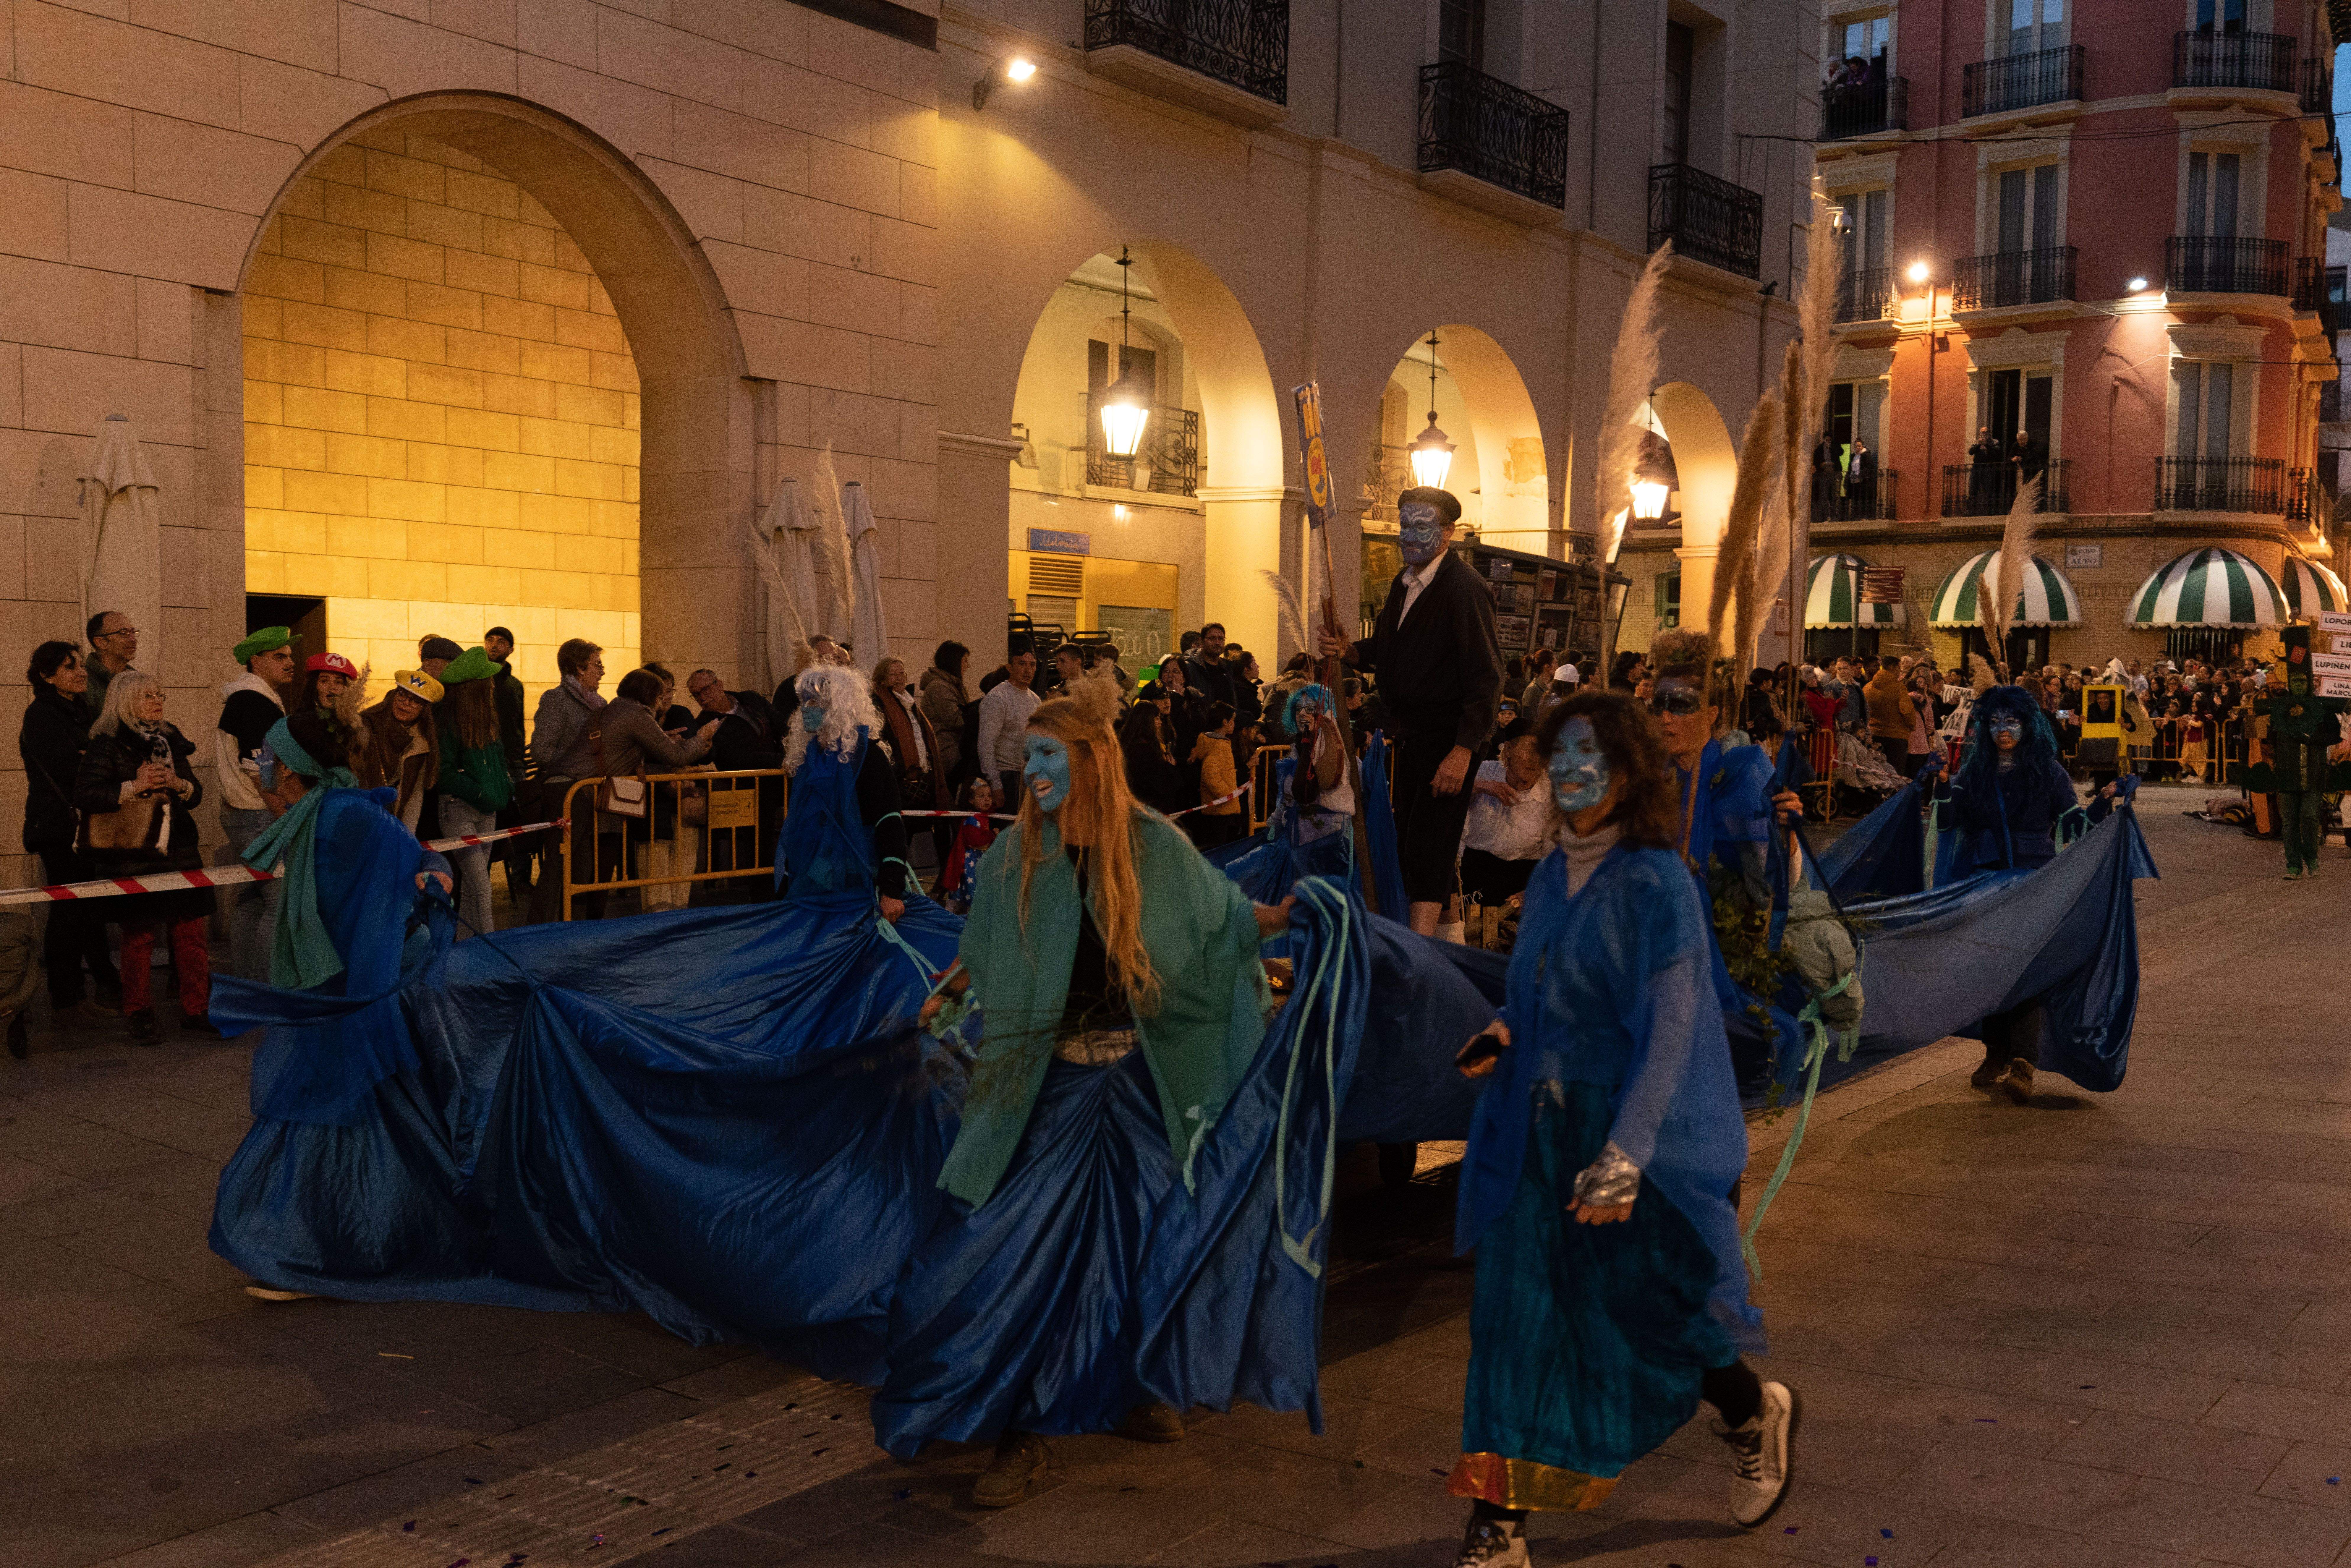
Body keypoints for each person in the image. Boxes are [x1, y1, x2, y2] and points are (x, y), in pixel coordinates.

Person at [883, 664, 1292, 1505]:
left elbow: (1219, 920)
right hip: (1048, 1088)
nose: (1031, 774)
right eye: (1028, 757)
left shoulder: (1150, 844)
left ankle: (1132, 1387)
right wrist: (953, 988)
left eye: (1047, 758)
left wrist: (1292, 918)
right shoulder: (1013, 855)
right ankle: (1022, 1429)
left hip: (1140, 1085)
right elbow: (985, 943)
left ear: (1093, 761)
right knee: (1021, 1259)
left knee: (1150, 1241)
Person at [1445, 692, 1793, 1567]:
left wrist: (1624, 1154)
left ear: (1630, 773)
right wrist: (1504, 1028)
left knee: (1655, 1313)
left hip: (1626, 1138)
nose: (1566, 770)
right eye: (1556, 752)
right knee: (1509, 1318)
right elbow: (1537, 990)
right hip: (1533, 1132)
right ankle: (1497, 1525)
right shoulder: (1548, 873)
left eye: (1588, 755)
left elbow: (1672, 1028)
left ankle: (1751, 1409)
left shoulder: (1655, 882)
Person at [209, 709, 454, 1303]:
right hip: (332, 985)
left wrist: (436, 876)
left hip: (349, 988)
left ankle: (313, 1250)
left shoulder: (343, 815)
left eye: (267, 754)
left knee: (330, 1114)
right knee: (349, 1115)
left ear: (291, 767)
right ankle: (352, 1239)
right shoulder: (317, 813)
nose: (259, 763)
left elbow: (415, 856)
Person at [1916, 685, 2124, 1101]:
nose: (2002, 730)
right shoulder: (1974, 774)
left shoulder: (2048, 772)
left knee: (2026, 973)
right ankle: (1997, 1053)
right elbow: (1948, 824)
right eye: (1994, 722)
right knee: (1989, 973)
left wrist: (2105, 802)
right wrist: (1940, 784)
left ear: (2028, 725)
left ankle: (2024, 1061)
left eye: (2011, 721)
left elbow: (2074, 826)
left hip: (2033, 883)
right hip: (1985, 884)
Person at [1319, 485, 1504, 938]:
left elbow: (1487, 678)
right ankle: (1447, 945)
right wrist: (1350, 651)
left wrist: (1463, 751)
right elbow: (1390, 649)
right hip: (1410, 736)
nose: (1408, 535)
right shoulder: (1404, 588)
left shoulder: (1465, 590)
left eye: (1421, 525)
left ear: (1448, 533)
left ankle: (1415, 952)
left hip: (1447, 738)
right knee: (1413, 841)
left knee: (1432, 846)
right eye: (1404, 525)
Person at [73, 673, 214, 1044]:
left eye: (159, 694)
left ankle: (197, 1010)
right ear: (124, 701)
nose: (158, 701)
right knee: (138, 939)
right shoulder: (107, 745)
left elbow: (195, 793)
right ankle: (139, 1011)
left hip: (180, 850)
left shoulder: (170, 739)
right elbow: (86, 795)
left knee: (191, 935)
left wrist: (178, 784)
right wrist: (134, 786)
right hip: (135, 853)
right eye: (148, 696)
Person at [19, 642, 120, 1026]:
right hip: (57, 826)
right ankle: (65, 1000)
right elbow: (70, 766)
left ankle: (81, 993)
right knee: (66, 913)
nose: (80, 672)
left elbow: (95, 758)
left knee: (81, 911)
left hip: (79, 823)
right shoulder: (42, 714)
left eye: (79, 664)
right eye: (68, 667)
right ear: (46, 676)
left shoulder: (79, 709)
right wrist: (93, 758)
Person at [778, 663, 912, 922]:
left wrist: (892, 888)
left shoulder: (868, 756)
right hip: (817, 879)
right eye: (804, 701)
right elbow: (800, 824)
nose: (806, 708)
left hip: (861, 876)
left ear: (836, 705)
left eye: (815, 701)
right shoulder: (809, 758)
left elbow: (889, 820)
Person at [597, 667, 722, 907]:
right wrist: (668, 746)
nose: (666, 697)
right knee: (654, 860)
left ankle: (680, 910)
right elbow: (659, 756)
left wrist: (691, 744)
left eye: (670, 690)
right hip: (652, 801)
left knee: (684, 855)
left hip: (683, 799)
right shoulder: (639, 716)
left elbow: (702, 751)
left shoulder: (681, 713)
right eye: (661, 691)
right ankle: (657, 913)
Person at [214, 626, 297, 982]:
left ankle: (248, 983)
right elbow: (257, 770)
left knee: (252, 901)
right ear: (257, 662)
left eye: (290, 656)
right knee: (279, 902)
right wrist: (286, 817)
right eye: (280, 657)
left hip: (246, 813)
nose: (291, 663)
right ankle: (266, 986)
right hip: (256, 814)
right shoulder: (253, 702)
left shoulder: (252, 699)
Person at [433, 648, 514, 936]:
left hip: (486, 809)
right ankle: (492, 952)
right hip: (458, 809)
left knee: (472, 888)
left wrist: (503, 787)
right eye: (488, 680)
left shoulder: (488, 718)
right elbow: (443, 774)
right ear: (477, 687)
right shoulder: (449, 723)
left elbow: (500, 758)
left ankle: (467, 952)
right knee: (481, 888)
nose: (493, 684)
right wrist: (481, 793)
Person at [529, 639, 608, 923]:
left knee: (581, 867)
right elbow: (541, 750)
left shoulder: (600, 705)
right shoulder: (556, 699)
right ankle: (539, 929)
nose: (603, 672)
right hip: (565, 790)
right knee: (559, 866)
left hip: (587, 792)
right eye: (598, 665)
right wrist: (578, 764)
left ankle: (566, 928)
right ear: (579, 667)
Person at [1457, 735, 1550, 908]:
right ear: (1508, 751)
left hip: (1520, 884)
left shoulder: (1553, 795)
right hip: (1472, 874)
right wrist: (1482, 786)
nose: (1537, 759)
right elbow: (1447, 795)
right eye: (1531, 751)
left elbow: (1558, 858)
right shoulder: (1484, 771)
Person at [353, 670, 443, 835]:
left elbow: (415, 793)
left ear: (424, 710)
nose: (406, 703)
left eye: (416, 701)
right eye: (402, 695)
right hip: (361, 813)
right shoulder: (367, 725)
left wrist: (406, 833)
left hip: (393, 819)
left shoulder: (423, 742)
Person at [483, 627, 533, 900]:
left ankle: (522, 878)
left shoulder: (513, 685)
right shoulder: (478, 680)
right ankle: (484, 880)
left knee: (520, 821)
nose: (495, 645)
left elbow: (517, 727)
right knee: (489, 821)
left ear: (511, 649)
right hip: (487, 761)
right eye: (490, 640)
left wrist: (518, 760)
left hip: (512, 763)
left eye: (502, 642)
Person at [875, 656, 949, 828]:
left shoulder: (911, 703)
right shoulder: (880, 704)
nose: (899, 678)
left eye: (902, 673)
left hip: (923, 779)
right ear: (882, 679)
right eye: (893, 674)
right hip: (901, 781)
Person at [977, 643, 1042, 809]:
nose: (1028, 670)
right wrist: (996, 784)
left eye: (1032, 665)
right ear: (1010, 668)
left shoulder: (1035, 700)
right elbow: (986, 745)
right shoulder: (998, 699)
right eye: (1022, 664)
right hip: (1006, 776)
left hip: (1028, 776)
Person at [933, 774, 1000, 913]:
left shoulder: (982, 817)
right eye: (982, 797)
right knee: (971, 886)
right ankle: (971, 912)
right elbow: (976, 840)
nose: (987, 799)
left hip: (980, 858)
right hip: (971, 860)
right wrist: (992, 835)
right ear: (971, 800)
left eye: (989, 796)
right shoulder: (971, 820)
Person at [1186, 699, 1244, 850]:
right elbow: (1209, 773)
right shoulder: (1220, 746)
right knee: (1220, 849)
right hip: (1222, 808)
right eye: (1233, 720)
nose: (1234, 724)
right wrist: (1226, 795)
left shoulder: (1208, 742)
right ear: (1225, 722)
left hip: (1215, 807)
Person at [919, 640, 972, 788]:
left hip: (953, 749)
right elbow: (956, 720)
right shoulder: (939, 687)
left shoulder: (950, 685)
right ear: (954, 662)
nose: (968, 666)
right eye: (965, 661)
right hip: (949, 752)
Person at [1863, 655, 1918, 779]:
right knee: (1896, 775)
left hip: (1874, 734)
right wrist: (1912, 726)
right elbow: (1907, 712)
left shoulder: (1868, 687)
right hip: (1897, 737)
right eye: (1899, 668)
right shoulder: (1899, 688)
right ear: (1893, 668)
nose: (1900, 671)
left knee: (1878, 773)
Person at [83, 610, 137, 720]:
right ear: (101, 642)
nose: (134, 640)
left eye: (133, 633)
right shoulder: (84, 682)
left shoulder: (136, 680)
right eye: (124, 633)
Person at [1185, 622, 1236, 709]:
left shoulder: (1228, 667)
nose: (1217, 642)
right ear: (1201, 641)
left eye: (1221, 639)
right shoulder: (1190, 667)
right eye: (1212, 638)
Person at [1967, 426, 2003, 511]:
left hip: (1989, 469)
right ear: (1980, 434)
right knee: (1973, 489)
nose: (1984, 435)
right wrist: (1979, 445)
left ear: (1989, 434)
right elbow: (1971, 452)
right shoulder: (1977, 442)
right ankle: (1971, 511)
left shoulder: (1995, 442)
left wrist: (1986, 445)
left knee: (1990, 490)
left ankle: (1991, 510)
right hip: (1977, 469)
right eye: (1982, 433)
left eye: (1986, 433)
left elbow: (1997, 452)